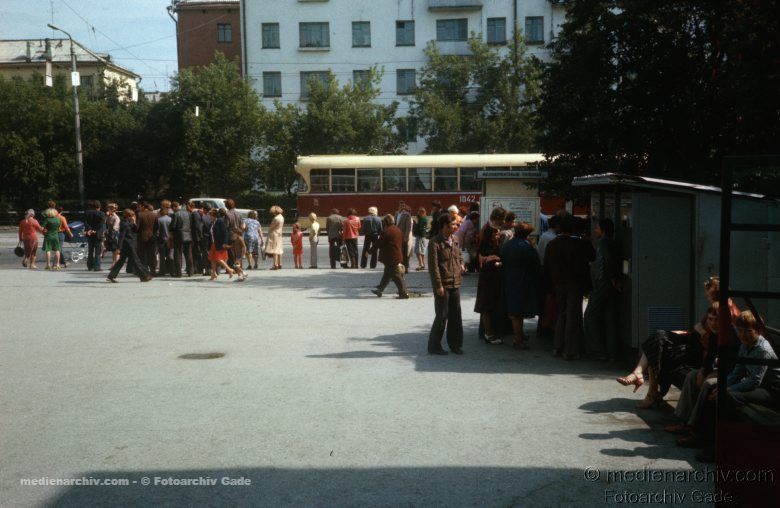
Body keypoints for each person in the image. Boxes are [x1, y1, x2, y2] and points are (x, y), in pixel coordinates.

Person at [617, 276, 741, 408]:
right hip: (695, 343)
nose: (707, 297)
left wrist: (700, 331)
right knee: (658, 337)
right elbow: (703, 329)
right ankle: (640, 375)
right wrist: (692, 332)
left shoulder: (725, 311)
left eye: (708, 294)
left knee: (659, 346)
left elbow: (712, 341)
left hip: (700, 351)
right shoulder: (717, 306)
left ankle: (649, 389)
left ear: (716, 294)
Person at [544, 214, 595, 360]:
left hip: (558, 284)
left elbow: (546, 266)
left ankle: (557, 346)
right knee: (573, 315)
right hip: (574, 283)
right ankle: (570, 349)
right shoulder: (578, 244)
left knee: (561, 314)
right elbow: (591, 257)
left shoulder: (552, 244)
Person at [584, 218, 621, 361]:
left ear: (603, 230)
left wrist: (612, 277)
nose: (595, 230)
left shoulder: (603, 243)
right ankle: (612, 352)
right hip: (611, 284)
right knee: (610, 318)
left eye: (597, 228)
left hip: (603, 282)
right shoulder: (613, 242)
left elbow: (608, 260)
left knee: (590, 315)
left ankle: (597, 350)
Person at [427, 214, 465, 355]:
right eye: (452, 225)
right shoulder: (435, 242)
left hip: (455, 282)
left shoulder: (455, 239)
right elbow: (433, 267)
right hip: (443, 284)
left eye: (456, 224)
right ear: (444, 226)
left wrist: (462, 264)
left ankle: (455, 345)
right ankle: (434, 346)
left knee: (456, 315)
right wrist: (438, 285)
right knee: (442, 316)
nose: (455, 227)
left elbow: (459, 255)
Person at [501, 221, 541, 350]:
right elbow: (536, 263)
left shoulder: (507, 245)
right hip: (524, 279)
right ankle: (518, 340)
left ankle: (519, 335)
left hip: (509, 278)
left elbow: (503, 260)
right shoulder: (527, 246)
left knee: (515, 309)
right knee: (519, 312)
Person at [474, 207, 507, 345]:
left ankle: (487, 332)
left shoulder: (489, 228)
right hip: (489, 273)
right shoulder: (488, 230)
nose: (504, 222)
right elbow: (483, 251)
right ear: (498, 218)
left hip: (490, 272)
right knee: (487, 304)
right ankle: (488, 334)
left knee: (489, 303)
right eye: (502, 219)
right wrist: (493, 257)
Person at [106, 209, 152, 282]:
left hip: (129, 244)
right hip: (128, 244)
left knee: (121, 261)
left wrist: (134, 223)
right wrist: (119, 247)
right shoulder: (124, 224)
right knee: (136, 260)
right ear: (128, 216)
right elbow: (121, 236)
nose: (133, 217)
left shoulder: (128, 222)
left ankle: (111, 276)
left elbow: (135, 230)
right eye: (131, 215)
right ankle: (144, 275)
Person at [370, 215, 409, 299]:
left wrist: (370, 251)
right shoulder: (398, 230)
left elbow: (379, 243)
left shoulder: (387, 231)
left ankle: (403, 293)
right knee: (387, 273)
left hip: (390, 256)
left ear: (386, 222)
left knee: (396, 275)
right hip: (396, 254)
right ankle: (380, 290)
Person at [207, 208, 234, 280]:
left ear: (214, 216)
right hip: (213, 243)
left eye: (211, 215)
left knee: (219, 259)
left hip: (219, 243)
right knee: (212, 258)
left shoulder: (220, 221)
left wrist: (225, 242)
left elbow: (225, 232)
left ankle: (229, 269)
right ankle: (213, 274)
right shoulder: (212, 223)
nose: (210, 217)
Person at [170, 201, 194, 277]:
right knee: (188, 254)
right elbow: (192, 224)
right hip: (188, 235)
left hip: (178, 236)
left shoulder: (176, 214)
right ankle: (190, 272)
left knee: (177, 254)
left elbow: (173, 226)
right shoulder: (189, 214)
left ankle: (178, 273)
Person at [225, 198, 246, 275]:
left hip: (231, 234)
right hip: (239, 234)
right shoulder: (239, 213)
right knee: (238, 253)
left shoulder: (227, 214)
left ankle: (232, 269)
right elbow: (242, 224)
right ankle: (239, 268)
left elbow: (226, 226)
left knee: (231, 253)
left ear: (227, 205)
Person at [137, 202, 158, 276]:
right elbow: (156, 227)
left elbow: (137, 227)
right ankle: (153, 271)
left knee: (143, 255)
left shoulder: (140, 214)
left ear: (143, 207)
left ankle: (145, 271)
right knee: (152, 254)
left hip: (142, 237)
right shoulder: (154, 215)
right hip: (152, 236)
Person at [84, 200, 106, 271]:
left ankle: (90, 266)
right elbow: (102, 223)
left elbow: (85, 222)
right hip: (98, 233)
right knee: (97, 251)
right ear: (99, 206)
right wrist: (94, 230)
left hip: (89, 233)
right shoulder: (102, 214)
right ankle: (97, 267)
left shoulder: (87, 212)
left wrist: (90, 229)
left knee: (90, 250)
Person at [155, 200, 173, 276]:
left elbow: (157, 231)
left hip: (161, 240)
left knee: (162, 257)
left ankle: (162, 271)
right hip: (169, 240)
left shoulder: (159, 220)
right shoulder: (171, 219)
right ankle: (171, 270)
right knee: (169, 256)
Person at [265, 205, 284, 270]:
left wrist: (268, 233)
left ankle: (275, 264)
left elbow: (271, 227)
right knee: (279, 249)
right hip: (279, 234)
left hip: (274, 234)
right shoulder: (282, 217)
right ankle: (280, 263)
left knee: (274, 249)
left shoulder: (276, 218)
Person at [396, 203, 412, 271]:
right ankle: (399, 266)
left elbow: (408, 227)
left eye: (402, 206)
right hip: (397, 236)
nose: (401, 207)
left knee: (404, 253)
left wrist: (406, 237)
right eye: (400, 206)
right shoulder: (397, 214)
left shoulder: (407, 215)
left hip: (403, 236)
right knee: (398, 251)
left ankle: (405, 267)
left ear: (404, 207)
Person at [189, 201, 204, 275]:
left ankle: (198, 269)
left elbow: (197, 226)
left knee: (196, 253)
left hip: (196, 237)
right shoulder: (196, 213)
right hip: (197, 236)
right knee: (196, 252)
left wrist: (199, 236)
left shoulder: (194, 213)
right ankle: (197, 268)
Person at [199, 204, 213, 275]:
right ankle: (215, 270)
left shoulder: (203, 217)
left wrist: (200, 236)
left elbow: (200, 228)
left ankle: (208, 270)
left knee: (205, 253)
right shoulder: (212, 217)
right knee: (212, 252)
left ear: (204, 209)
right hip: (212, 237)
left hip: (205, 237)